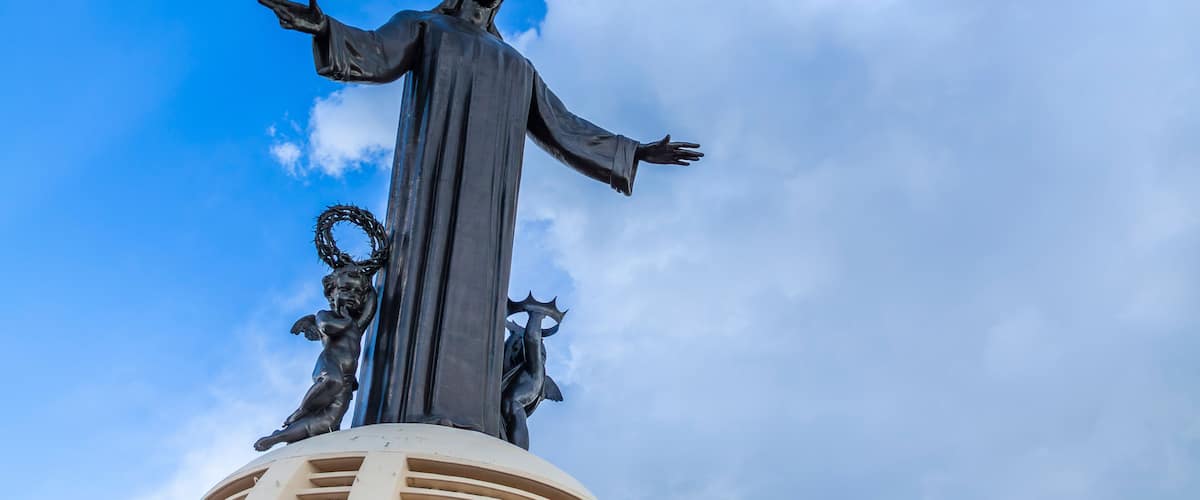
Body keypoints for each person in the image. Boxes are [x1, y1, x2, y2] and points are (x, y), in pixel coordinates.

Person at [257, 0, 704, 436]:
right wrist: (321, 26)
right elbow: (374, 51)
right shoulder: (425, 27)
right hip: (425, 198)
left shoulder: (516, 66)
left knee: (473, 297)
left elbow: (565, 127)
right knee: (423, 284)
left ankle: (472, 420)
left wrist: (635, 151)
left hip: (488, 212)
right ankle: (401, 415)